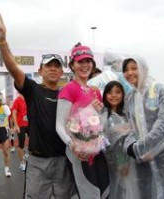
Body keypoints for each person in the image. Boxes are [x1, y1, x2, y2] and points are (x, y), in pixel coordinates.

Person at [0, 13, 76, 198]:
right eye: (48, 66)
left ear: (62, 71)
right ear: (40, 71)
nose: (53, 69)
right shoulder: (33, 90)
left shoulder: (68, 94)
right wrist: (2, 43)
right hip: (38, 162)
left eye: (57, 66)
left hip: (65, 159)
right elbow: (13, 68)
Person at [122, 56, 164, 199]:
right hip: (142, 160)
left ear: (144, 69)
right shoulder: (130, 97)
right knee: (146, 191)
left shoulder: (159, 89)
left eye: (134, 68)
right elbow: (131, 126)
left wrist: (142, 148)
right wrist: (131, 146)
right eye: (126, 70)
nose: (130, 72)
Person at [56, 43, 109, 199]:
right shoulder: (68, 89)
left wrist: (98, 112)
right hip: (79, 153)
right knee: (89, 194)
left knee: (104, 190)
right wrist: (72, 145)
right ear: (72, 65)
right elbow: (60, 125)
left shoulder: (95, 91)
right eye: (80, 62)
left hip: (98, 150)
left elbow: (98, 121)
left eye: (88, 61)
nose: (85, 65)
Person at [101, 81, 135, 198]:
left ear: (123, 95)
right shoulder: (102, 114)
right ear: (105, 95)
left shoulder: (127, 114)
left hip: (128, 162)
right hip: (109, 163)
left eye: (117, 92)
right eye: (110, 92)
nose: (114, 95)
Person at [12, 93, 29, 171]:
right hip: (21, 125)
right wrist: (16, 125)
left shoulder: (29, 99)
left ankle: (27, 155)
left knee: (34, 141)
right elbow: (14, 113)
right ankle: (22, 162)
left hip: (29, 124)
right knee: (21, 144)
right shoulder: (17, 101)